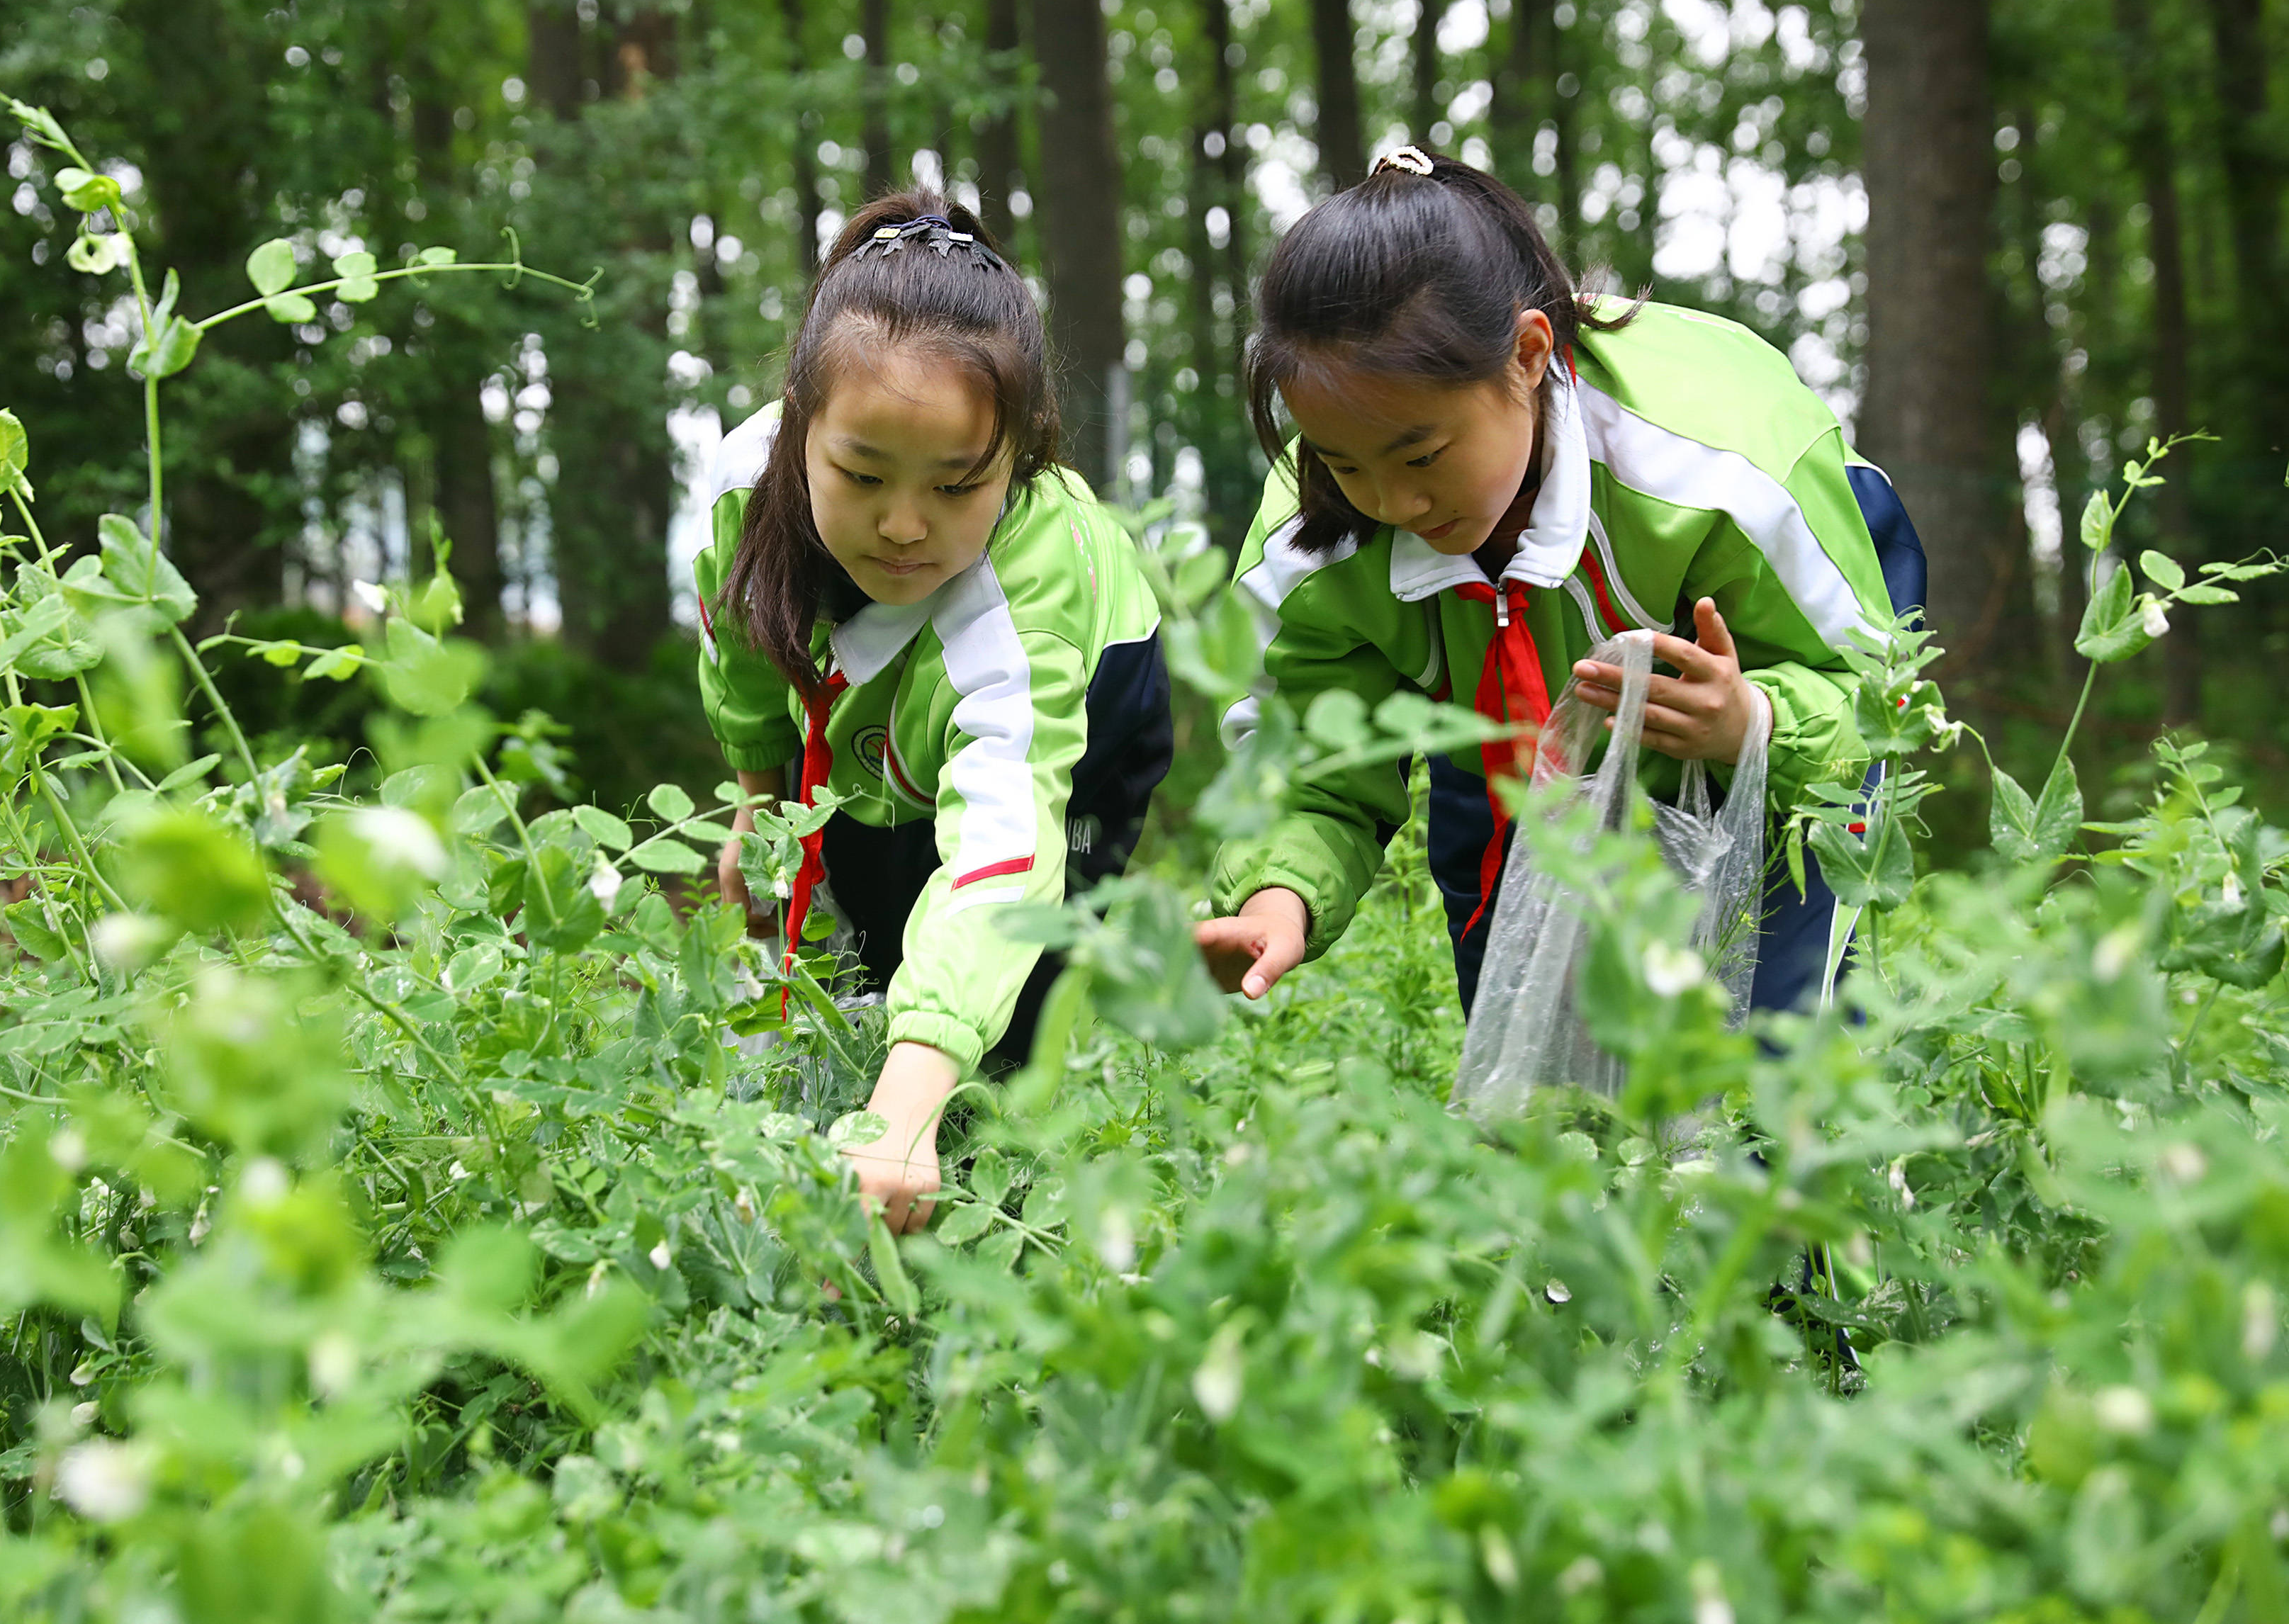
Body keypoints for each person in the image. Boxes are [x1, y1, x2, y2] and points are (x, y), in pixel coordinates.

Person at [1193, 147, 1925, 1020]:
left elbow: (1874, 695)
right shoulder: (1313, 538)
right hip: (1503, 732)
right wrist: (1281, 897)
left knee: (1767, 1073)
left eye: (1421, 453)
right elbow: (1307, 772)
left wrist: (1751, 723)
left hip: (1762, 721)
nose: (1394, 501)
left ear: (1530, 355)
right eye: (1344, 462)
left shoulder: (1721, 469)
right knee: (1539, 1088)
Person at [697, 189, 1171, 1234]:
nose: (904, 526)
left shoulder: (1029, 592)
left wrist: (905, 1111)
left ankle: (1002, 1193)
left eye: (959, 485)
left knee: (1013, 998)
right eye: (860, 474)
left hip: (1088, 706)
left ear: (1021, 455)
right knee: (870, 926)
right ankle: (881, 1107)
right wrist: (754, 803)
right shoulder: (744, 486)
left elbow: (1001, 846)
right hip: (871, 708)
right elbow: (742, 650)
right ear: (797, 430)